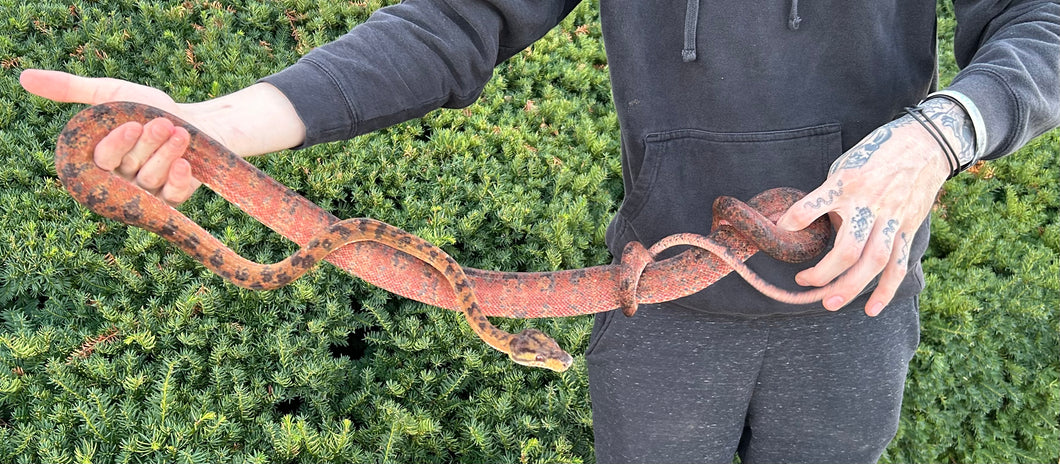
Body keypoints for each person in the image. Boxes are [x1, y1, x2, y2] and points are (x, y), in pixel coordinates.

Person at [20, 1, 1059, 462]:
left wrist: (942, 131)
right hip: (653, 306)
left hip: (854, 300)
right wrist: (216, 130)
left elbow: (1036, 21)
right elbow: (456, 20)